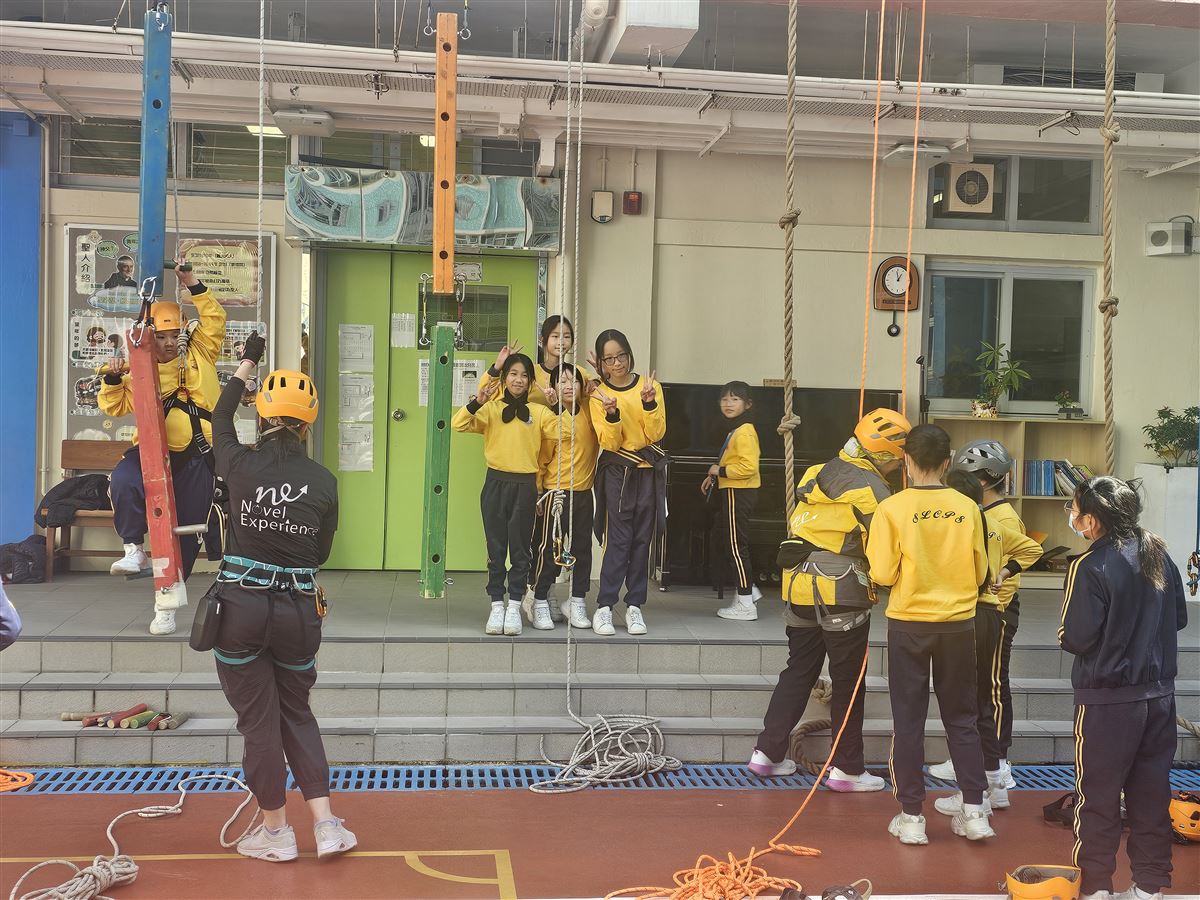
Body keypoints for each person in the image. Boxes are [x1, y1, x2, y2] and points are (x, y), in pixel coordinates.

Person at [205, 333, 354, 863]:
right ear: (307, 425)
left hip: (241, 611)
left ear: (261, 415)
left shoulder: (236, 463)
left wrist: (248, 362)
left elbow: (220, 416)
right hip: (298, 613)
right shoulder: (324, 481)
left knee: (259, 724)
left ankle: (275, 832)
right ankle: (327, 825)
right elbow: (322, 551)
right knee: (297, 713)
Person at [749, 408, 910, 794]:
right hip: (841, 589)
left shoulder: (815, 472)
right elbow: (882, 549)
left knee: (799, 670)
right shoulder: (874, 490)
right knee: (848, 681)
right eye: (897, 460)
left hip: (798, 585)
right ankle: (848, 769)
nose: (898, 468)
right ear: (883, 455)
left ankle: (767, 753)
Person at [866, 423, 993, 846]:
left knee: (909, 721)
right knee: (963, 718)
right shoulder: (968, 508)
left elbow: (882, 573)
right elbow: (980, 570)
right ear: (948, 461)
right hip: (958, 624)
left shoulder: (891, 508)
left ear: (905, 460)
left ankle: (911, 817)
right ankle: (974, 812)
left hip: (909, 624)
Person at [1061, 477, 1186, 900]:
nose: (1072, 516)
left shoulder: (1088, 566)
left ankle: (1096, 887)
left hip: (1107, 703)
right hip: (1159, 699)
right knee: (1151, 795)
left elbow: (1076, 637)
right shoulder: (1159, 554)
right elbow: (1178, 618)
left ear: (1092, 521)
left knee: (1096, 798)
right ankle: (1148, 886)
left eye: (1074, 509)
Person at [99, 264, 226, 635]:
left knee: (183, 534)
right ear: (149, 337)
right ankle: (132, 548)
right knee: (123, 480)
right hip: (154, 451)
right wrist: (112, 379)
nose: (169, 343)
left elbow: (214, 320)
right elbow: (115, 406)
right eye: (161, 337)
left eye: (174, 335)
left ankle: (166, 605)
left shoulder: (200, 352)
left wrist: (193, 284)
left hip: (198, 456)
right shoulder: (139, 366)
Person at [934, 468, 1041, 817]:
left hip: (963, 616)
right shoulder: (992, 524)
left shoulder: (953, 526)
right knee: (981, 700)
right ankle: (995, 783)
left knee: (964, 703)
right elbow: (1032, 548)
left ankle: (974, 794)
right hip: (990, 615)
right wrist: (1005, 572)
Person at [453, 352, 562, 636]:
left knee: (521, 549)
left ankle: (514, 604)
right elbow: (458, 423)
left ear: (531, 382)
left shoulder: (539, 412)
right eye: (513, 374)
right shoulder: (491, 409)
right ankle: (496, 605)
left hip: (525, 486)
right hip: (495, 483)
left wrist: (556, 405)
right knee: (496, 549)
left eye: (524, 375)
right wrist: (478, 401)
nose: (518, 380)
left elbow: (565, 434)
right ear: (504, 379)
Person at [588, 329, 666, 637]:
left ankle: (635, 606)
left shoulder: (651, 386)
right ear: (602, 363)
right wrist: (612, 414)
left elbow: (656, 434)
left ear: (629, 354)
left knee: (642, 540)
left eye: (621, 355)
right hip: (618, 474)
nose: (617, 363)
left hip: (647, 473)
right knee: (618, 541)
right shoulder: (598, 394)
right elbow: (609, 442)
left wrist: (649, 404)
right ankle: (605, 606)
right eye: (609, 358)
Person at [529, 363, 599, 630]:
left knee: (582, 549)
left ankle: (577, 600)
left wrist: (595, 380)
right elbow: (542, 459)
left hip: (583, 493)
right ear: (553, 387)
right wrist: (539, 492)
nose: (569, 386)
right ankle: (539, 600)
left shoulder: (590, 412)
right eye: (562, 381)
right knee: (549, 549)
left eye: (574, 381)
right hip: (555, 493)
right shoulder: (550, 417)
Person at [702, 381, 762, 620]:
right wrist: (714, 474)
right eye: (725, 399)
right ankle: (749, 591)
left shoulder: (744, 431)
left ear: (748, 404)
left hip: (738, 492)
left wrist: (720, 471)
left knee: (736, 546)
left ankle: (746, 604)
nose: (728, 404)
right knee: (728, 542)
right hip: (733, 491)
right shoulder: (737, 429)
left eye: (735, 399)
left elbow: (748, 467)